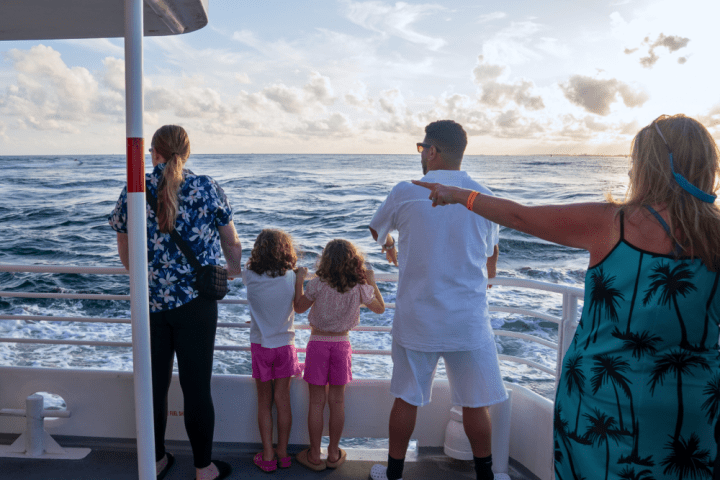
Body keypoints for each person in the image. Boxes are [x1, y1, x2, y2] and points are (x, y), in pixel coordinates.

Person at [413, 114, 720, 480]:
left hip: (600, 401)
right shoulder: (715, 236)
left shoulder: (613, 223)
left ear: (650, 166)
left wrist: (459, 196)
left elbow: (521, 217)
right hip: (693, 406)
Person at [368, 120, 508, 480]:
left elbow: (375, 229)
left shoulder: (406, 191)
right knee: (476, 403)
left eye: (421, 148)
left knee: (406, 397)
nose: (421, 155)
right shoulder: (483, 195)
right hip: (467, 318)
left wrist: (389, 243)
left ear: (432, 151)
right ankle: (486, 477)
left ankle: (394, 474)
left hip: (418, 316)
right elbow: (491, 261)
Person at [109, 125, 241, 480]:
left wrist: (151, 281)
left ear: (153, 152)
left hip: (149, 304)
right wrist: (231, 271)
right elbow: (232, 244)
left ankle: (154, 462)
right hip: (197, 302)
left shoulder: (134, 191)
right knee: (197, 386)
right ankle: (204, 468)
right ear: (187, 151)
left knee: (154, 387)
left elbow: (125, 254)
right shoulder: (207, 188)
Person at [293, 239, 385, 471]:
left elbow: (299, 307)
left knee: (316, 402)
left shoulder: (318, 284)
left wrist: (299, 281)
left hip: (318, 343)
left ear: (326, 261)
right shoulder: (359, 287)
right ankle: (333, 453)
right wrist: (372, 282)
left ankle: (315, 455)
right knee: (337, 402)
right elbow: (379, 308)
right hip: (342, 344)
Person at [242, 229, 303, 473]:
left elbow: (238, 267)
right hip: (284, 346)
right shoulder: (291, 277)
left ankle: (267, 455)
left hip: (261, 346)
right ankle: (283, 454)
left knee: (264, 402)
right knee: (283, 401)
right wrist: (301, 276)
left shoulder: (250, 276)